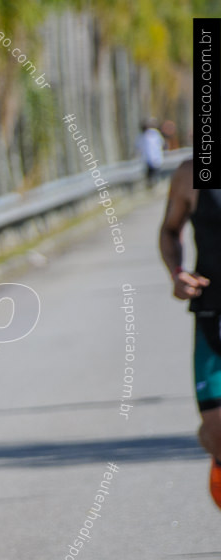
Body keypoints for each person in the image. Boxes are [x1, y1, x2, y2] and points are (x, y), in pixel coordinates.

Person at [158, 159, 221, 511]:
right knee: (217, 433)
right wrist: (178, 273)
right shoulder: (191, 174)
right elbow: (169, 230)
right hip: (214, 314)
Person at [137, 118, 166, 188]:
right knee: (150, 173)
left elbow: (161, 143)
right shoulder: (142, 136)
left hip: (155, 157)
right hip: (148, 159)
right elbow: (139, 147)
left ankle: (155, 185)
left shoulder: (154, 134)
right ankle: (151, 185)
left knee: (155, 172)